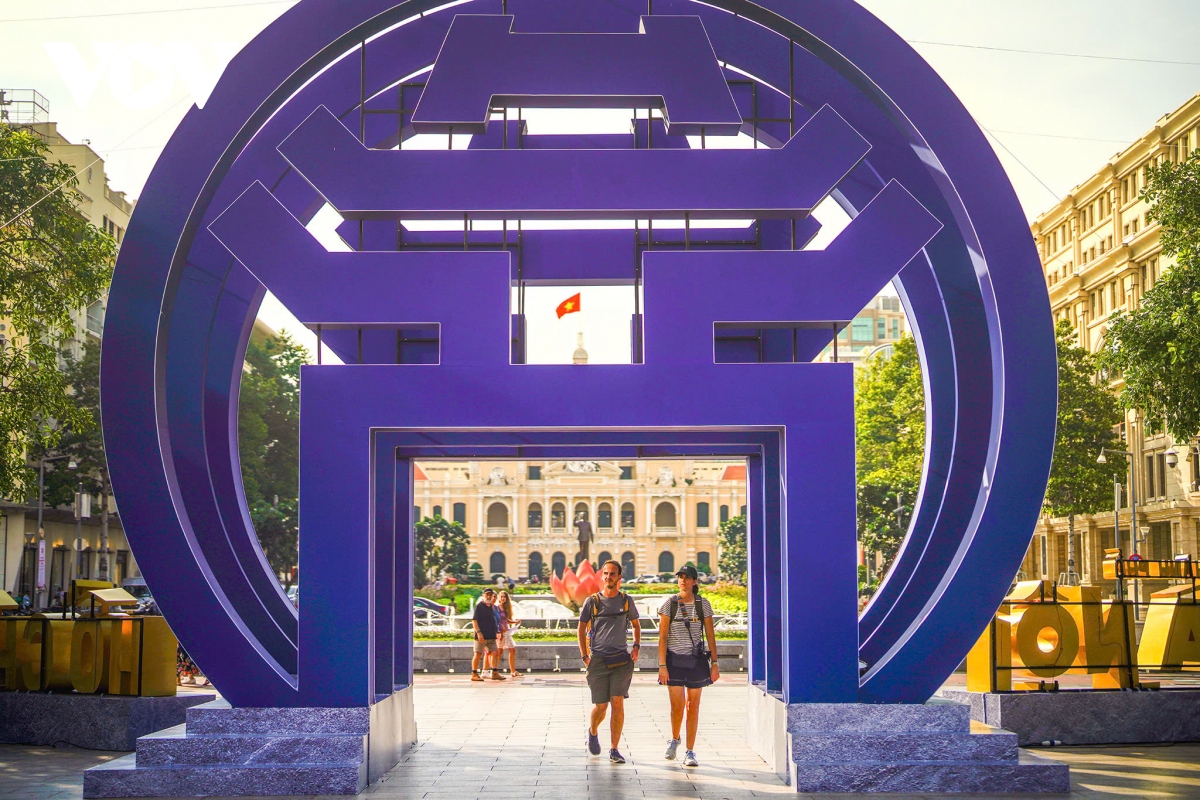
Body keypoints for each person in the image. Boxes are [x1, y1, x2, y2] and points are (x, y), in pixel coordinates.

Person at [578, 559, 641, 764]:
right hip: (598, 661)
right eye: (605, 573)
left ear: (619, 577)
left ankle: (614, 749)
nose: (608, 577)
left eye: (612, 574)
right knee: (601, 706)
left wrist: (636, 647)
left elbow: (636, 625)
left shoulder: (626, 600)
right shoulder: (592, 601)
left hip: (621, 660)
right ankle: (593, 730)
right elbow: (581, 628)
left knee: (617, 702)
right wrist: (585, 656)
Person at [657, 564, 719, 768]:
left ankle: (690, 751)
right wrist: (662, 665)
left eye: (687, 577)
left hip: (696, 661)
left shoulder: (703, 604)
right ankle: (674, 739)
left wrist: (715, 663)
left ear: (694, 581)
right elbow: (662, 637)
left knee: (693, 706)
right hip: (674, 661)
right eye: (680, 577)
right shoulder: (670, 604)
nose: (683, 580)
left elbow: (710, 635)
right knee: (677, 707)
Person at [471, 588, 504, 682]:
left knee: (495, 652)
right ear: (483, 595)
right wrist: (479, 633)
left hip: (491, 635)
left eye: (490, 595)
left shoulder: (490, 606)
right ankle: (474, 674)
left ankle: (494, 672)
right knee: (478, 654)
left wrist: (497, 631)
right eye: (487, 594)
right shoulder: (479, 606)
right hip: (481, 635)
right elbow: (474, 621)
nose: (489, 596)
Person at [496, 590, 522, 677]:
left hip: (506, 631)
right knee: (500, 651)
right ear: (499, 598)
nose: (503, 598)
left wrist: (515, 622)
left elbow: (506, 620)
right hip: (500, 632)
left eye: (504, 597)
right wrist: (500, 627)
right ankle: (494, 670)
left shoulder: (505, 608)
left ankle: (513, 671)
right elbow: (496, 619)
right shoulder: (497, 607)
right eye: (501, 597)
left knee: (512, 649)